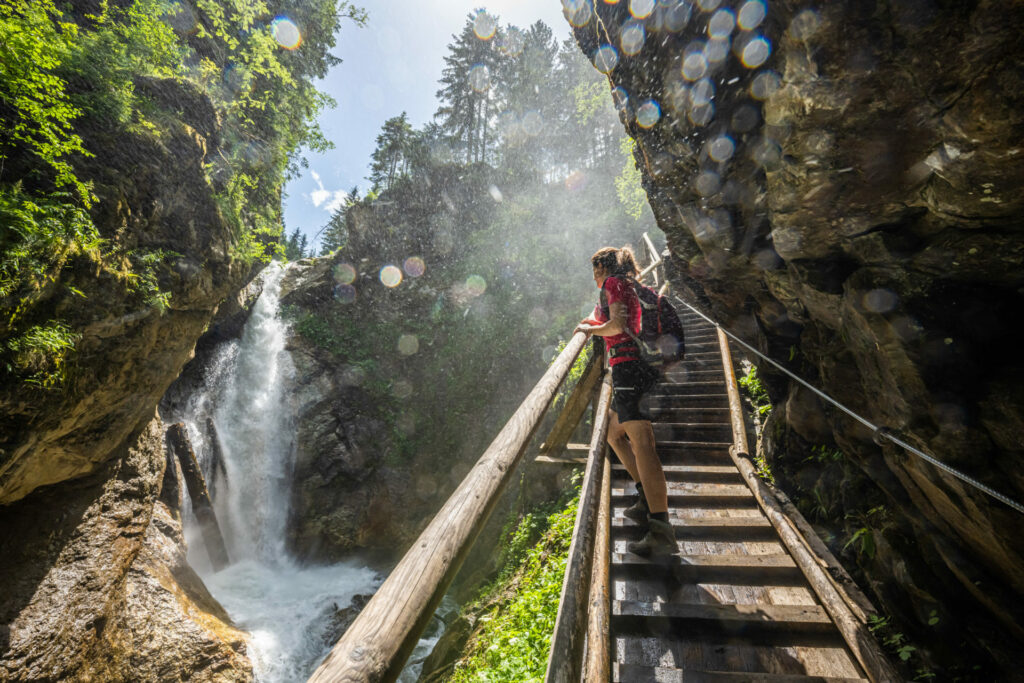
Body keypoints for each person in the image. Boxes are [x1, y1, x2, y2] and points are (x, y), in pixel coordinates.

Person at [575, 246, 676, 556]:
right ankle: (646, 497)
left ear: (603, 269)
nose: (594, 279)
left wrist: (590, 330)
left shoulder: (613, 284)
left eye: (595, 272)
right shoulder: (630, 285)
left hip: (629, 368)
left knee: (643, 443)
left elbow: (618, 326)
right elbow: (614, 315)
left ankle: (660, 529)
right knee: (613, 433)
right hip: (638, 368)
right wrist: (594, 319)